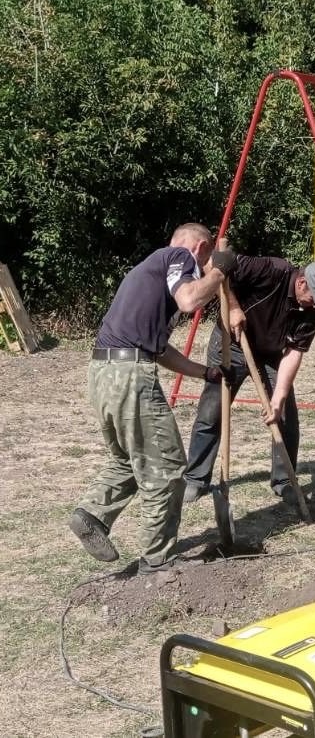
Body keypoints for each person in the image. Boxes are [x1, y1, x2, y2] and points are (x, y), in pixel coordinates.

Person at [68, 223, 237, 574]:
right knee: (168, 467)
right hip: (130, 376)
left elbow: (158, 349)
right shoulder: (178, 257)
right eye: (205, 259)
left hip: (103, 372)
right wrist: (220, 269)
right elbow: (190, 299)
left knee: (127, 460)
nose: (203, 268)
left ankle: (93, 514)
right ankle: (157, 561)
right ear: (202, 247)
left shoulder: (148, 273)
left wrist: (204, 372)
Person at [183, 255, 315, 506]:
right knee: (212, 410)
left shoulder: (313, 311)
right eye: (313, 299)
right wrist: (233, 307)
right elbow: (213, 263)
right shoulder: (270, 271)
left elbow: (294, 352)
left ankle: (284, 481)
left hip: (273, 355)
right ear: (301, 283)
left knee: (285, 412)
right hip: (231, 345)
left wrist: (278, 399)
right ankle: (195, 479)